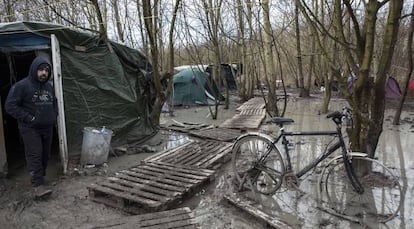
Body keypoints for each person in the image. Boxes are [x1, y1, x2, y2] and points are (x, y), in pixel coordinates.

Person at [5, 56, 57, 198]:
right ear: (34, 70)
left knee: (45, 155)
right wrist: (29, 118)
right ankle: (38, 185)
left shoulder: (49, 86)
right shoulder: (22, 86)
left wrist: (53, 116)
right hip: (30, 128)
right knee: (35, 155)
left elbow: (54, 102)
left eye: (46, 70)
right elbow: (10, 106)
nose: (43, 73)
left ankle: (41, 178)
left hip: (47, 127)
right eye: (40, 70)